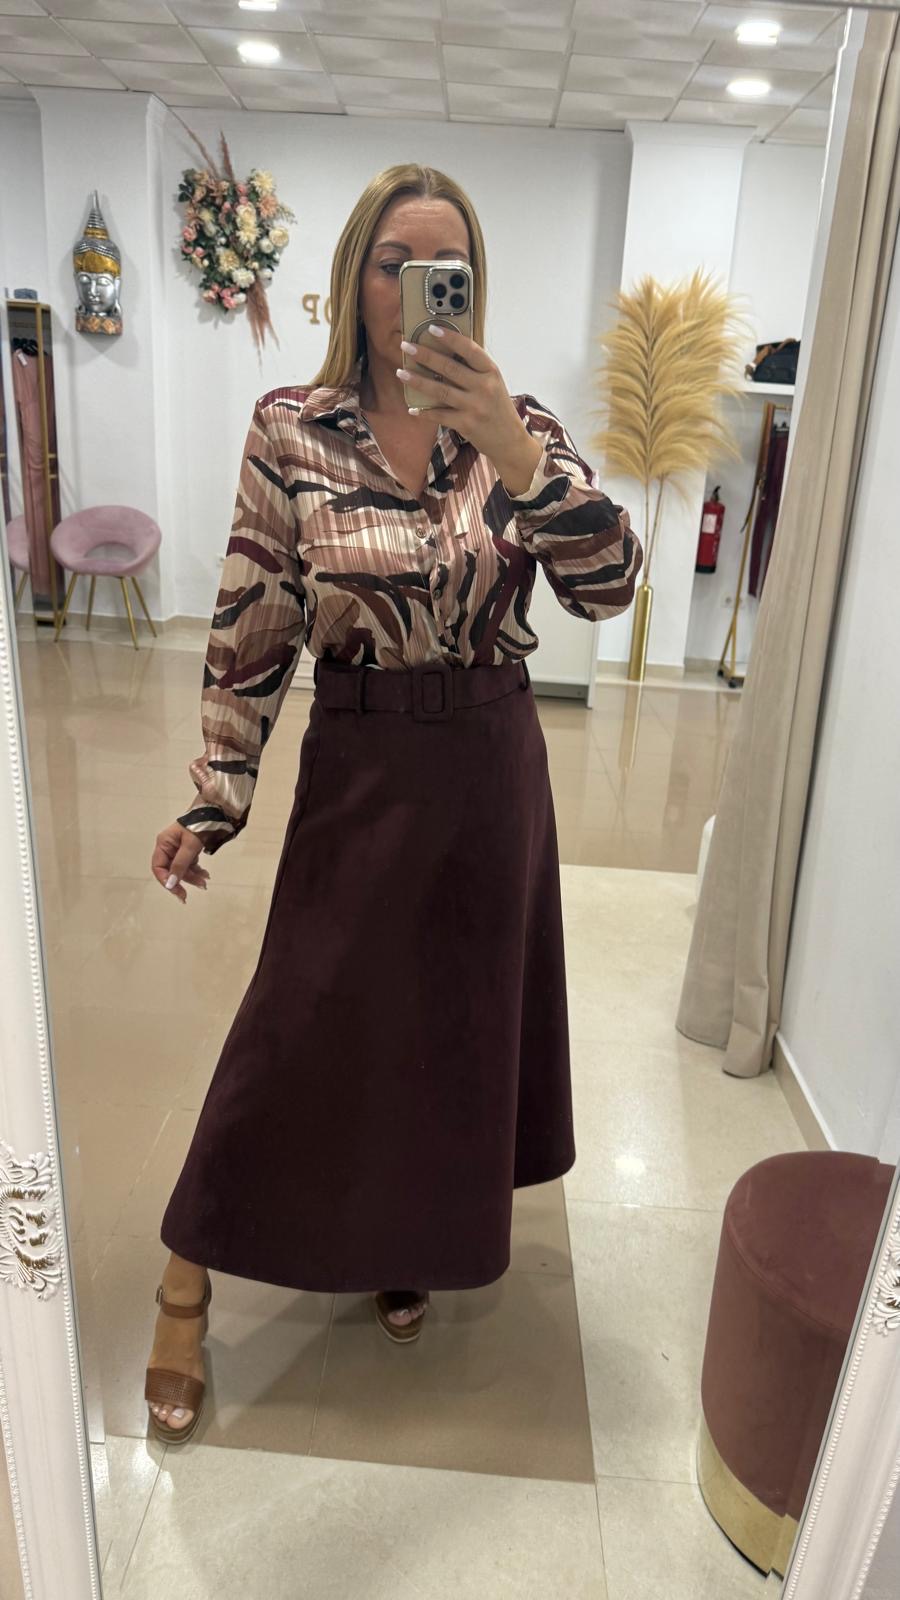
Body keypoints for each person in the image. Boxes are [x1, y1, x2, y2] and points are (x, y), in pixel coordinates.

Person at [144, 163, 643, 1443]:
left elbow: (608, 586)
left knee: (447, 1034)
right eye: (394, 263)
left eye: (445, 267)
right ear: (354, 278)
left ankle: (403, 1243)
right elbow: (253, 621)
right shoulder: (291, 428)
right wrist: (215, 796)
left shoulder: (517, 427)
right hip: (362, 769)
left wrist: (517, 454)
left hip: (490, 771)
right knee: (300, 1017)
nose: (418, 287)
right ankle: (185, 1278)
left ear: (473, 286)